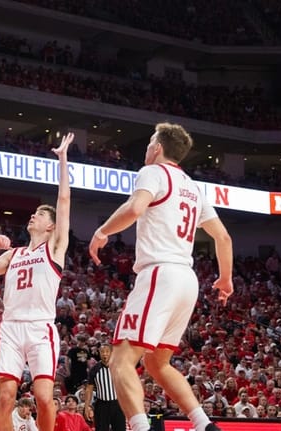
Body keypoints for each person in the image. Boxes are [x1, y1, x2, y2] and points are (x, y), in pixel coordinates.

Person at [87, 122, 233, 431]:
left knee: (120, 361)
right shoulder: (194, 187)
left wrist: (102, 232)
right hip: (186, 278)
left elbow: (135, 207)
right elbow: (223, 238)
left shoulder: (152, 171)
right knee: (156, 363)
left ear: (157, 148)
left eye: (150, 143)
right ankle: (205, 425)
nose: (147, 148)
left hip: (159, 273)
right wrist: (225, 279)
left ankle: (140, 428)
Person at [0, 133, 73, 431]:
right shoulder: (15, 253)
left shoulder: (54, 248)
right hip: (10, 326)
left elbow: (64, 199)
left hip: (40, 326)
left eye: (39, 215)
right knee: (5, 397)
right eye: (32, 214)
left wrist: (62, 159)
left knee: (44, 397)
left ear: (51, 225)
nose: (32, 217)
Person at [82, 344, 124, 431]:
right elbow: (89, 389)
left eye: (107, 351)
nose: (105, 354)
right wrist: (86, 407)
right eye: (102, 352)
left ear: (111, 353)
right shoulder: (94, 369)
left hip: (118, 404)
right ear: (99, 353)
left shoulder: (119, 367)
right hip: (102, 405)